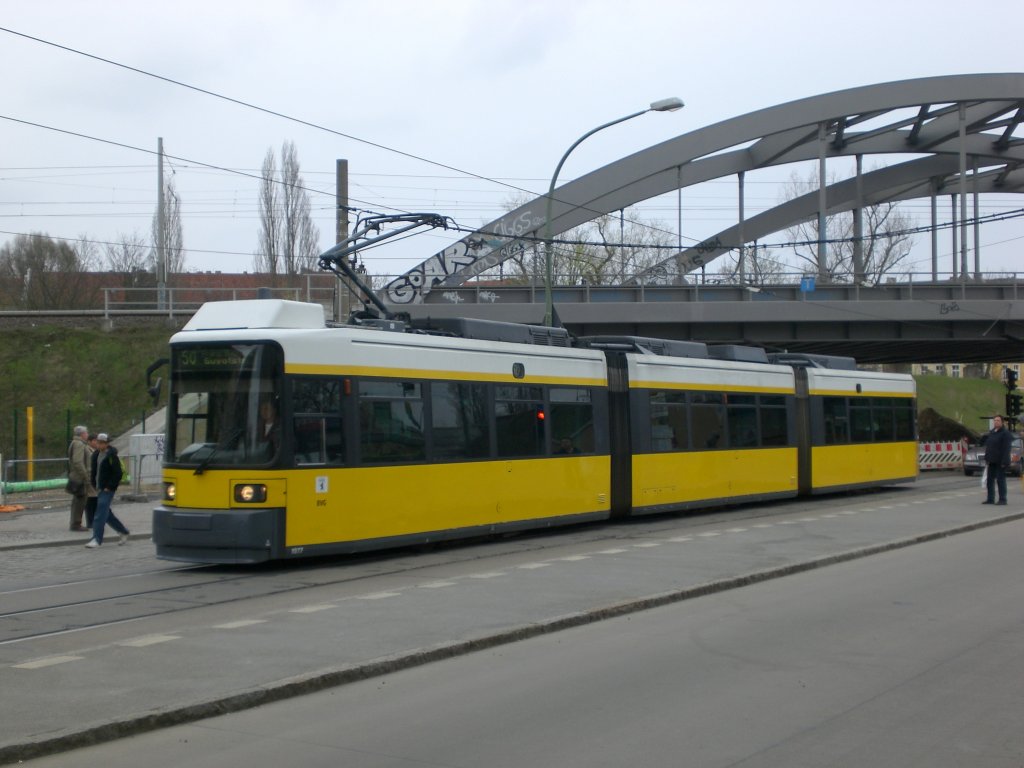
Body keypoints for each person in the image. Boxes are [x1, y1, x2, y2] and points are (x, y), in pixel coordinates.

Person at [85, 433, 130, 548]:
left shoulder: (111, 456)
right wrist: (94, 484)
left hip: (107, 489)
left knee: (99, 513)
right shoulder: (95, 455)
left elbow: (118, 473)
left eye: (102, 443)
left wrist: (109, 487)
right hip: (99, 488)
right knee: (106, 513)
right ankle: (123, 531)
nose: (100, 445)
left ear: (107, 443)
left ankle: (96, 539)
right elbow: (94, 472)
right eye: (98, 442)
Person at [980, 414, 1012, 506]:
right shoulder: (992, 432)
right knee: (990, 480)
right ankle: (990, 498)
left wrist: (1005, 461)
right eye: (995, 420)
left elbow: (1006, 448)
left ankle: (1003, 499)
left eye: (998, 420)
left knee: (1000, 480)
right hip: (991, 460)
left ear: (1002, 422)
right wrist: (987, 458)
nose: (996, 422)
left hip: (1000, 461)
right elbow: (988, 446)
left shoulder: (1005, 434)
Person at [67, 425, 91, 532]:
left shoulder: (74, 443)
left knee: (77, 500)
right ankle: (76, 523)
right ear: (82, 434)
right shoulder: (79, 444)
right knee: (80, 501)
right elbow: (78, 461)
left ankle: (75, 522)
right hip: (79, 477)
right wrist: (85, 475)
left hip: (76, 475)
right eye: (86, 433)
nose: (87, 435)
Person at [84, 433, 100, 529]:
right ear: (89, 441)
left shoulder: (96, 451)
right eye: (94, 440)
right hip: (90, 477)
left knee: (95, 499)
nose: (96, 442)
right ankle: (90, 522)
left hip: (95, 477)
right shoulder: (87, 450)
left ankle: (94, 520)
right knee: (91, 499)